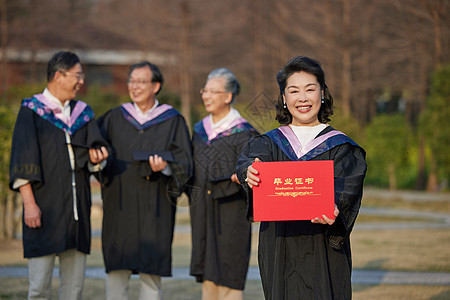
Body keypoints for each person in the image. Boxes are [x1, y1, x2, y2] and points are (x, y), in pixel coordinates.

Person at [236, 56, 367, 299]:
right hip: (279, 247)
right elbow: (247, 162)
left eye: (310, 89)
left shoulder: (341, 146)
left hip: (323, 249)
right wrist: (248, 172)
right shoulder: (268, 142)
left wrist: (337, 207)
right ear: (284, 99)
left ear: (323, 93)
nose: (303, 98)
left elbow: (347, 189)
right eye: (293, 91)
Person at [9, 51, 109, 300]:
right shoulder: (31, 111)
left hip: (76, 214)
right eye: (77, 75)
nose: (81, 81)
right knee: (39, 288)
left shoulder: (83, 114)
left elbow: (94, 156)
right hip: (43, 212)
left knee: (73, 290)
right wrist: (29, 205)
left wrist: (98, 159)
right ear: (58, 76)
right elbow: (22, 160)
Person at [97, 61, 193, 300]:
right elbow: (96, 153)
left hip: (155, 208)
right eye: (132, 81)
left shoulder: (172, 121)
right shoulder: (114, 118)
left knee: (151, 278)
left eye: (141, 82)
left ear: (156, 86)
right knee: (116, 274)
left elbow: (185, 163)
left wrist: (167, 168)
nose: (135, 87)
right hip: (119, 206)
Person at [189, 68, 258, 300]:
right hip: (203, 212)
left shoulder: (245, 134)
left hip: (232, 214)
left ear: (228, 96)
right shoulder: (199, 131)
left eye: (213, 91)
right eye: (204, 90)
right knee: (208, 274)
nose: (206, 96)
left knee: (229, 274)